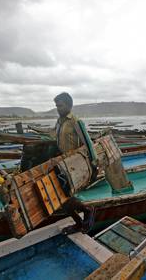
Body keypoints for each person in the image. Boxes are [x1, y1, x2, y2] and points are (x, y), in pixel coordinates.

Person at [54, 92, 95, 234]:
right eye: (56, 106)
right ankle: (79, 223)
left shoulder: (75, 121)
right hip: (61, 163)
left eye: (60, 105)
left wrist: (93, 164)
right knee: (62, 197)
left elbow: (88, 144)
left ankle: (88, 210)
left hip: (73, 164)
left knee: (65, 195)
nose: (58, 108)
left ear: (69, 105)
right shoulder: (59, 122)